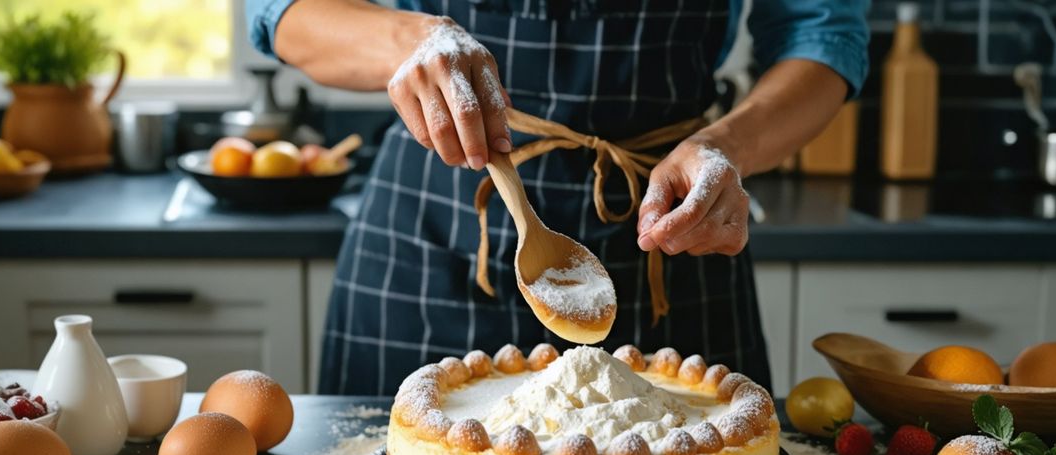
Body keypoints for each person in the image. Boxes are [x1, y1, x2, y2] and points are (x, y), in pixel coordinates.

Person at [247, 0, 869, 395]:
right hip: (432, 225)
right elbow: (277, 10)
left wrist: (730, 143)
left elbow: (823, 35)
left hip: (672, 217)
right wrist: (409, 40)